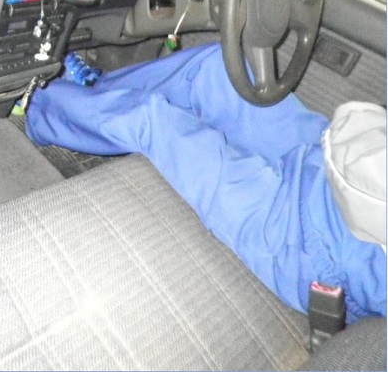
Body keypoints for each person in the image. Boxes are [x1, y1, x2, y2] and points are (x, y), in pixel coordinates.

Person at [26, 42, 386, 323]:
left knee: (152, 120)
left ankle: (34, 103)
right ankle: (92, 90)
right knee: (215, 69)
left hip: (318, 246)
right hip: (324, 172)